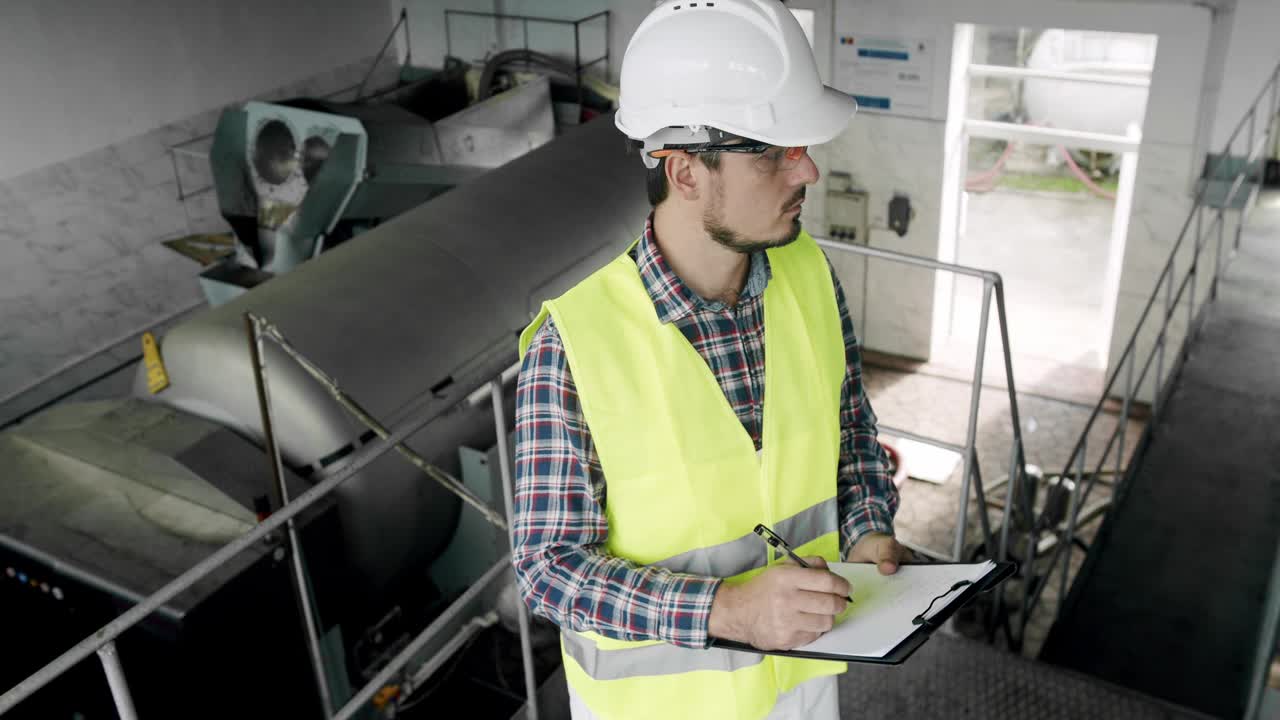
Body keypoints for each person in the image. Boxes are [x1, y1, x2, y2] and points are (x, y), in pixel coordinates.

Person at [511, 1, 905, 717]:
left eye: (804, 145)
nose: (808, 170)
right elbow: (549, 571)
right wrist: (725, 610)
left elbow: (850, 431)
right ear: (685, 171)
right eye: (770, 151)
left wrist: (868, 522)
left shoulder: (808, 275)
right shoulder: (571, 346)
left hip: (803, 687)